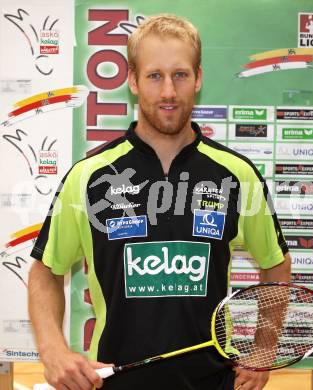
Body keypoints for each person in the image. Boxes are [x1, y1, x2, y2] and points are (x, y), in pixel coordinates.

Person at [28, 14, 291, 390]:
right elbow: (45, 272)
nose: (168, 91)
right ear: (133, 80)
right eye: (155, 75)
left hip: (215, 382)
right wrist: (53, 351)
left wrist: (263, 351)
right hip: (115, 382)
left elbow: (277, 265)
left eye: (180, 75)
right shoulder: (90, 176)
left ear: (198, 78)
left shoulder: (237, 175)